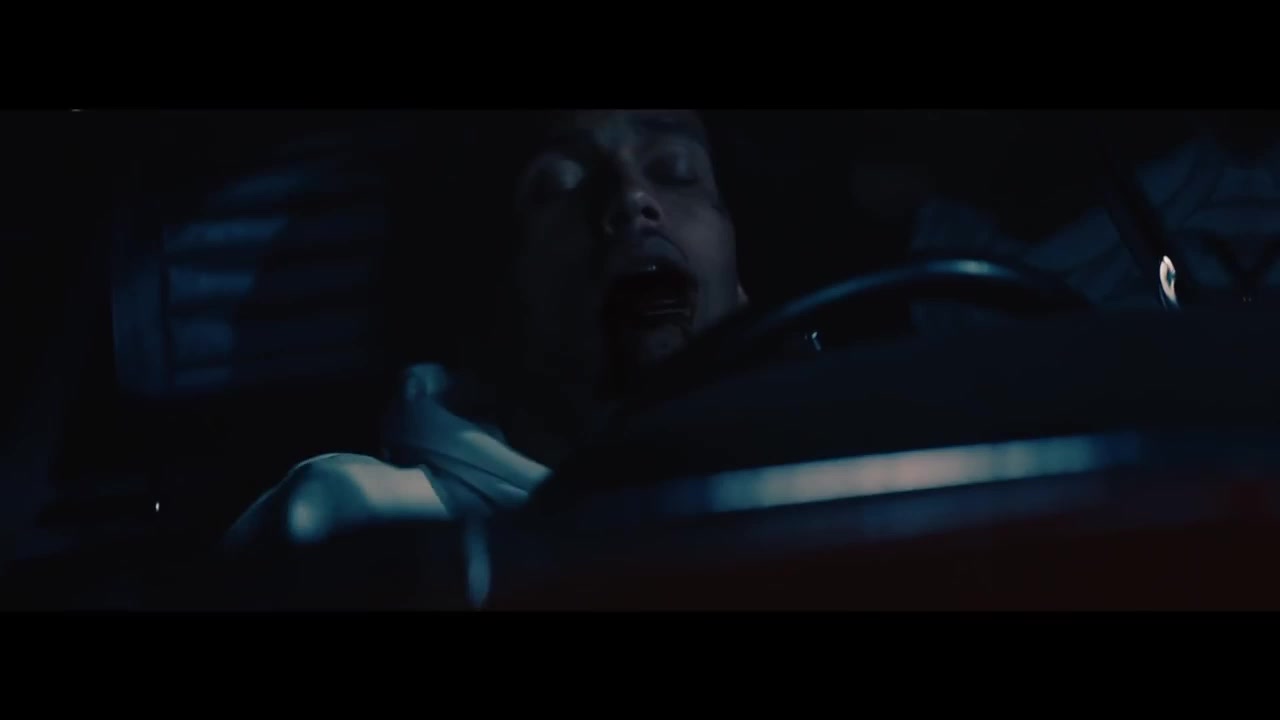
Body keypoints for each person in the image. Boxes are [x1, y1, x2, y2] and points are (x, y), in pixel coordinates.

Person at [225, 109, 750, 548]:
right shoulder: (353, 520)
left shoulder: (796, 480)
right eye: (558, 185)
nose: (632, 197)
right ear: (485, 297)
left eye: (677, 171)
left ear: (742, 288)